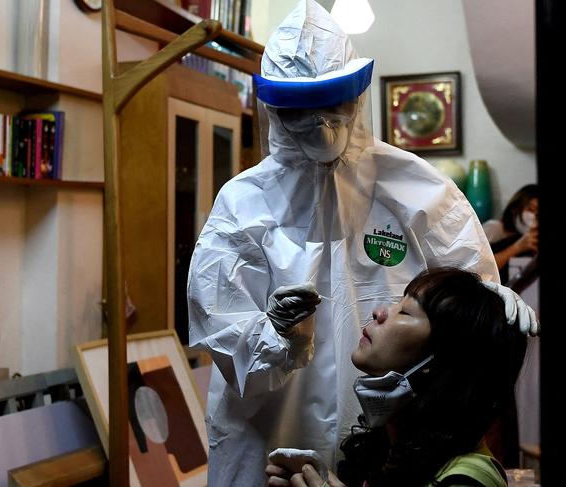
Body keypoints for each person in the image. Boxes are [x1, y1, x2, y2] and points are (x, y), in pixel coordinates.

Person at [187, 1, 536, 485]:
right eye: (302, 111)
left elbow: (463, 298)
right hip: (269, 431)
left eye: (334, 103)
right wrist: (275, 335)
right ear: (275, 109)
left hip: (389, 431)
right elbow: (225, 336)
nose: (322, 124)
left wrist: (489, 302)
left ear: (357, 95)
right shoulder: (244, 204)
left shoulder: (414, 185)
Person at [267, 267, 529, 487]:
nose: (379, 312)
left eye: (405, 311)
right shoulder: (387, 449)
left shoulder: (466, 479)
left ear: (441, 359)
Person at [482, 184, 539, 283]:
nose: (534, 217)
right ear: (514, 209)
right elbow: (479, 268)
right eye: (531, 210)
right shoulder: (494, 229)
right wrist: (518, 247)